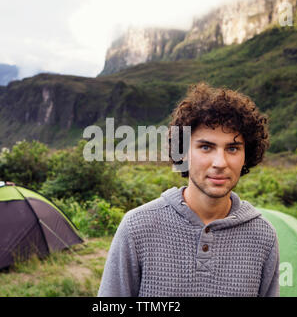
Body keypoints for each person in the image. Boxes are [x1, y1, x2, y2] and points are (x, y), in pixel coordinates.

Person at [98, 82, 279, 297]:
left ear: (246, 156)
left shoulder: (263, 236)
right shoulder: (137, 227)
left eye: (232, 148)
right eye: (206, 147)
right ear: (182, 152)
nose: (220, 162)